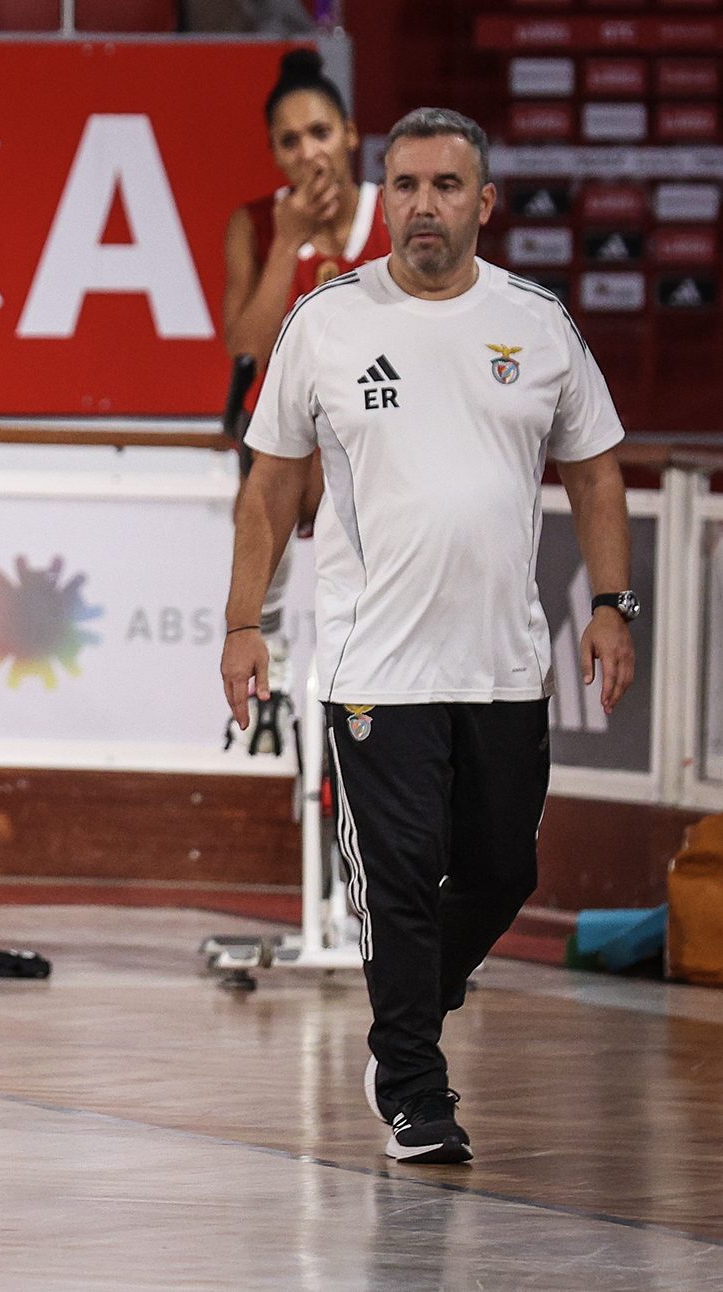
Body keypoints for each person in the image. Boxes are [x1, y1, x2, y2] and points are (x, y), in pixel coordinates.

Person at [221, 108, 636, 1165]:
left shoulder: (536, 322)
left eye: (445, 186)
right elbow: (269, 485)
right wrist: (243, 621)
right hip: (376, 664)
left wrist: (609, 604)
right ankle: (412, 1084)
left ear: (482, 202)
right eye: (404, 184)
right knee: (400, 879)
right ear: (385, 198)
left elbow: (594, 472)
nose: (422, 205)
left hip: (504, 662)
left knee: (500, 871)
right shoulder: (326, 321)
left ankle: (413, 1008)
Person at [219, 49, 394, 751]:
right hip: (286, 433)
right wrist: (288, 243)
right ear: (274, 154)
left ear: (350, 134)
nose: (308, 153)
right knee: (267, 497)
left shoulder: (395, 214)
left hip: (380, 431)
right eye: (289, 141)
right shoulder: (256, 224)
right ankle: (271, 687)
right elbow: (246, 347)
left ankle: (377, 687)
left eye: (320, 132)